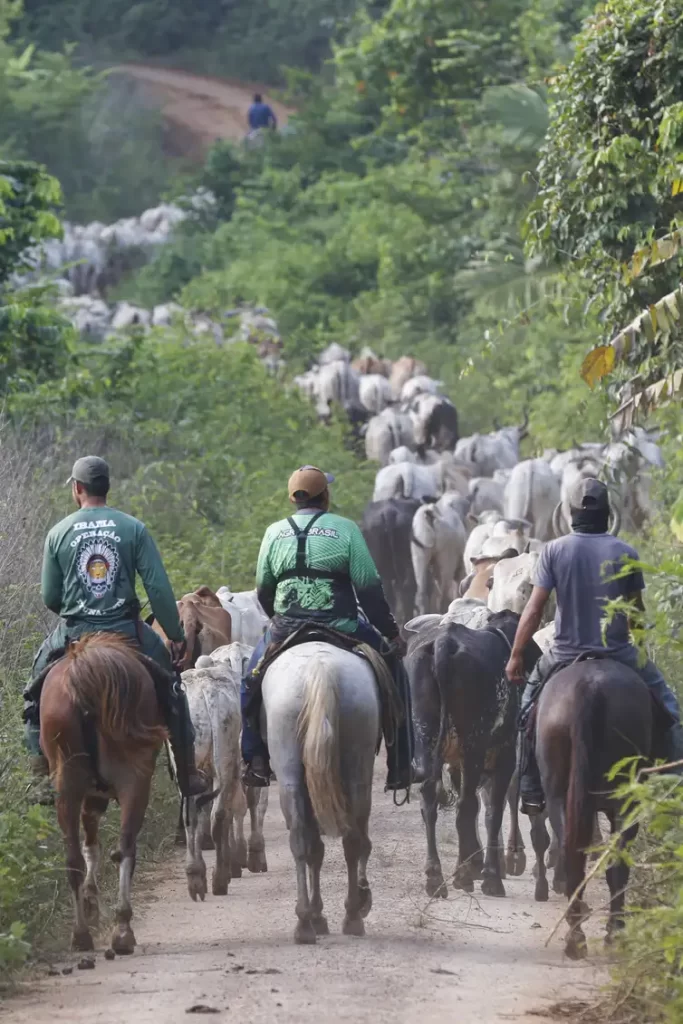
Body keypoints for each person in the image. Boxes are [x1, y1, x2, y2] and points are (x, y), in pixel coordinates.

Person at [24, 456, 208, 802]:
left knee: (35, 689)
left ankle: (39, 773)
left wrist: (76, 613)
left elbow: (50, 595)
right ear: (106, 487)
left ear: (78, 489)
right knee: (172, 688)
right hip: (127, 630)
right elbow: (158, 590)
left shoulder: (59, 532)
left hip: (75, 631)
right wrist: (175, 635)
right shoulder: (133, 528)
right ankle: (187, 773)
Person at [506, 477, 683, 815]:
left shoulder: (554, 551)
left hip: (563, 654)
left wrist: (516, 654)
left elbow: (534, 609)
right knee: (671, 710)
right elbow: (635, 614)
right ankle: (673, 785)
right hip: (618, 653)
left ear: (570, 513)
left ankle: (530, 788)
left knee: (526, 713)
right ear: (608, 513)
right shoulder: (625, 552)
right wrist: (642, 651)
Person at [241, 465, 415, 792]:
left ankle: (255, 759)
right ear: (325, 496)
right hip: (342, 624)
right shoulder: (346, 529)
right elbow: (368, 587)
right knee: (394, 668)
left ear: (293, 499)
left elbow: (263, 589)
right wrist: (391, 633)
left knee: (250, 680)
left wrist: (279, 620)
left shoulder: (274, 532)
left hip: (287, 627)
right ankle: (401, 763)